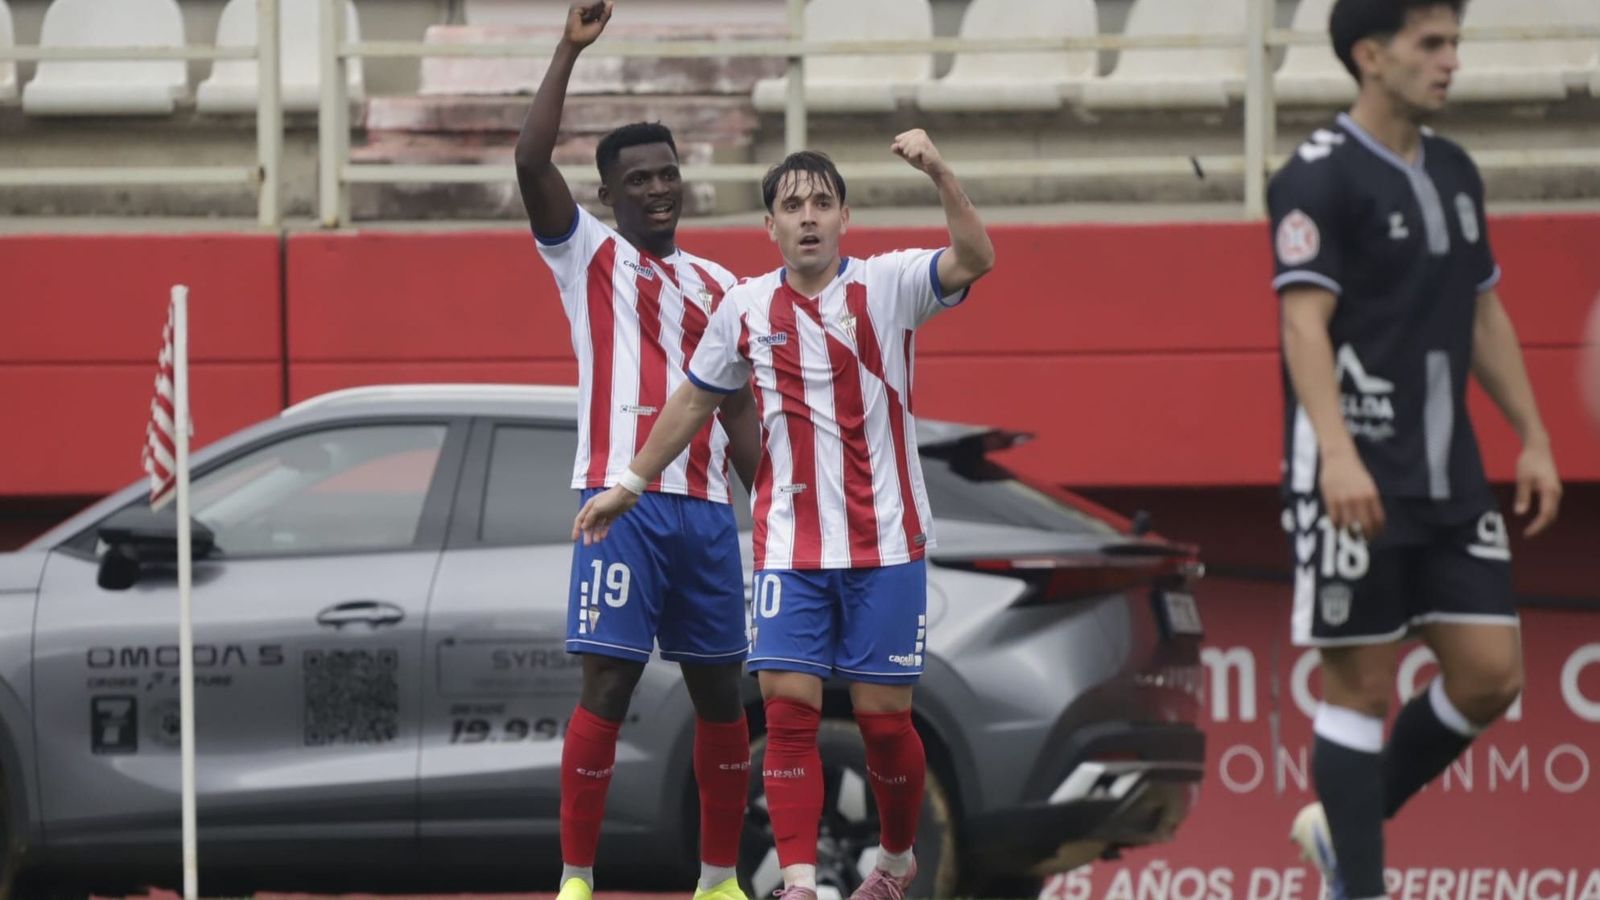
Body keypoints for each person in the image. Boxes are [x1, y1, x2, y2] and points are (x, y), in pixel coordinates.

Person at [573, 133, 994, 900]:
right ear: (769, 226)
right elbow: (694, 400)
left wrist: (939, 170)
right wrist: (630, 481)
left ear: (844, 217)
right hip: (789, 550)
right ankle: (798, 881)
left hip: (886, 542)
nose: (808, 218)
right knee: (789, 714)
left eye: (821, 204)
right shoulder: (743, 308)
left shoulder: (890, 285)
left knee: (884, 726)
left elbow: (976, 257)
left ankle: (896, 860)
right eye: (791, 206)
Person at [1268, 1, 1563, 897]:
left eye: (1454, 44)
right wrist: (1339, 454)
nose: (1450, 62)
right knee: (1358, 689)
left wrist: (1535, 435)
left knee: (1490, 678)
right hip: (1353, 474)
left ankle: (1338, 831)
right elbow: (1302, 325)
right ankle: (1358, 885)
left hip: (1450, 476)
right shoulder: (1317, 177)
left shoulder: (1456, 170)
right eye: (1431, 45)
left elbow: (1483, 312)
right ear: (1371, 56)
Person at [513, 4, 761, 899]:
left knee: (722, 698)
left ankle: (721, 881)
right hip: (618, 505)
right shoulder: (585, 256)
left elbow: (737, 418)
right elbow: (530, 162)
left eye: (668, 175)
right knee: (609, 685)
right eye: (639, 180)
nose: (659, 190)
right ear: (610, 195)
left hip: (703, 516)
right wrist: (568, 49)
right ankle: (577, 879)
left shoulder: (724, 286)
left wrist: (768, 505)